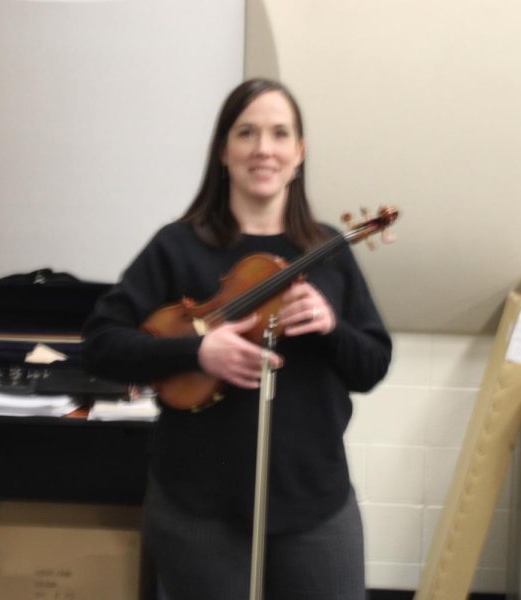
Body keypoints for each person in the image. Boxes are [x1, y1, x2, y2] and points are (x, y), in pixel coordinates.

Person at [82, 78, 392, 600]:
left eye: (279, 134)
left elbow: (372, 367)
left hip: (312, 501)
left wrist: (330, 326)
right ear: (224, 151)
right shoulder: (177, 246)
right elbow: (101, 345)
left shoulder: (327, 250)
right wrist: (196, 351)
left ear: (299, 153)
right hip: (198, 507)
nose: (263, 148)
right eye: (246, 133)